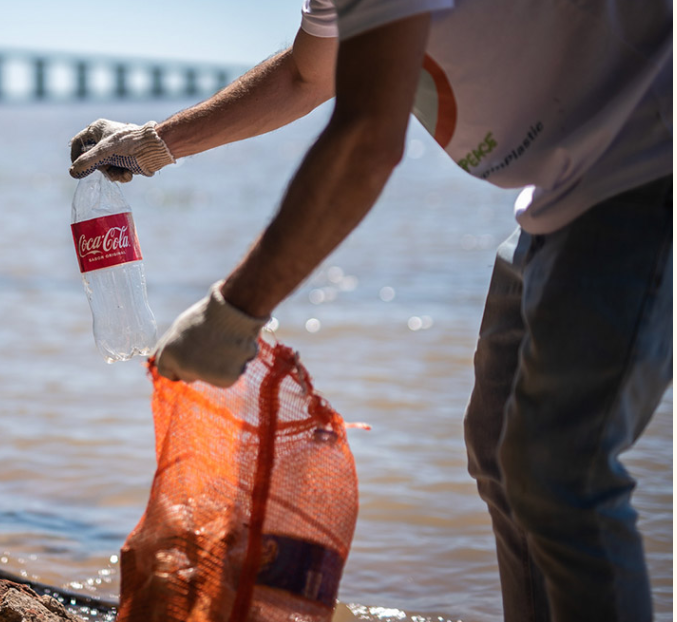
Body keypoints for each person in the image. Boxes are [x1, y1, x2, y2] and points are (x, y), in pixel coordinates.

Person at [68, 1, 672, 620]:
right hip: (557, 192)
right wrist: (155, 142)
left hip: (647, 161)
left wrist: (236, 310)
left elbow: (367, 139)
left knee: (560, 470)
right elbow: (308, 74)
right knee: (498, 453)